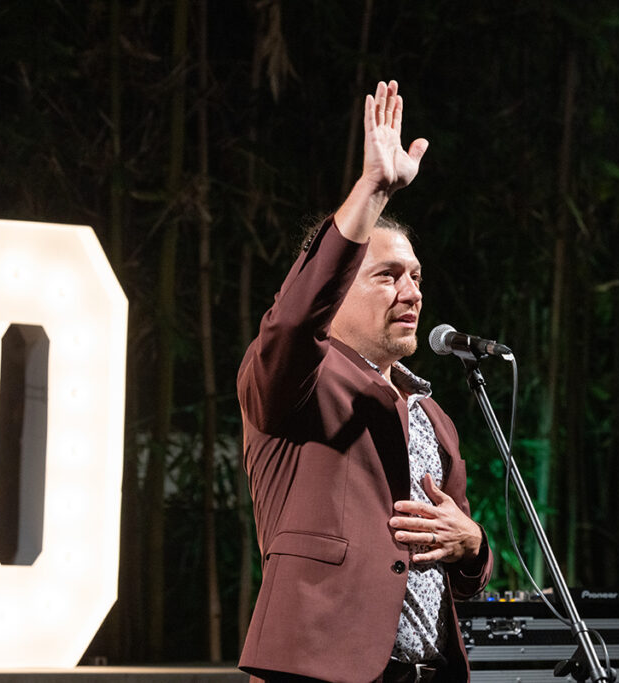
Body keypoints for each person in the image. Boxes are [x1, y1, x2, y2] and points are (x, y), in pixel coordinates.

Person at [236, 80, 492, 683]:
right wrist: (372, 190)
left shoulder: (433, 414)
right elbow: (295, 317)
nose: (412, 292)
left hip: (427, 672)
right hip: (317, 668)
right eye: (387, 276)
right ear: (339, 287)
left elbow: (467, 576)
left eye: (417, 277)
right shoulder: (296, 381)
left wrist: (473, 543)